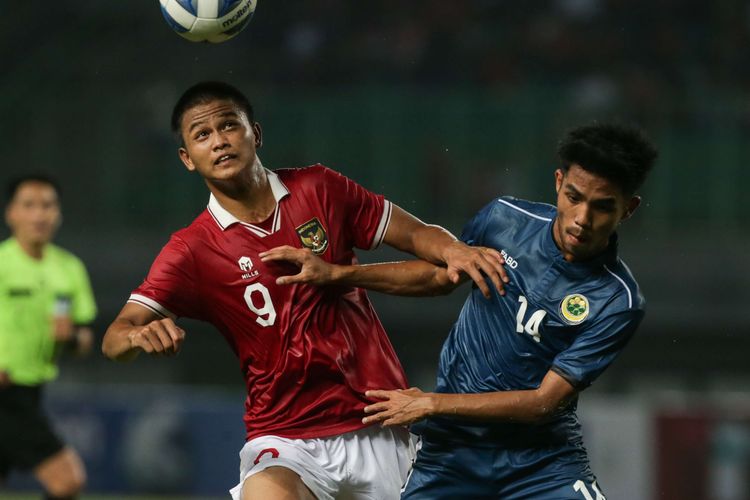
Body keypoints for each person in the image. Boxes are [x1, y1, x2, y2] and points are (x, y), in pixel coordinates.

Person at [101, 80, 507, 500]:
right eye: (202, 135)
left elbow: (422, 240)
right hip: (285, 435)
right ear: (187, 158)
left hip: (380, 421)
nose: (219, 141)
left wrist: (451, 250)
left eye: (228, 126)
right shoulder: (192, 249)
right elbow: (114, 338)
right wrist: (136, 335)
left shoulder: (319, 188)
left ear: (254, 133)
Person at [260, 122, 658, 499]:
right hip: (450, 454)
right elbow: (437, 279)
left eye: (603, 207)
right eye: (574, 197)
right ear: (558, 183)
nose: (582, 219)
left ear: (628, 209)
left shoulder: (617, 301)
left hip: (542, 463)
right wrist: (337, 274)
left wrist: (431, 403)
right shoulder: (506, 219)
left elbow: (543, 403)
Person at [0, 175, 97, 500]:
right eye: (29, 205)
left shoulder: (69, 269)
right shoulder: (3, 262)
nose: (39, 215)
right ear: (10, 213)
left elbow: (85, 341)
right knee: (67, 480)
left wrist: (71, 337)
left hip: (31, 391)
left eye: (47, 205)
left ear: (58, 214)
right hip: (6, 391)